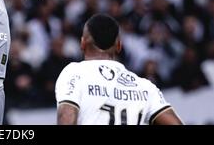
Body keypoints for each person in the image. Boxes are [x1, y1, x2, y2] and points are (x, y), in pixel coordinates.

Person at [55, 14, 183, 125]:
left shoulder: (74, 73)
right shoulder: (145, 87)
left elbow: (66, 116)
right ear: (119, 46)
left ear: (82, 44)